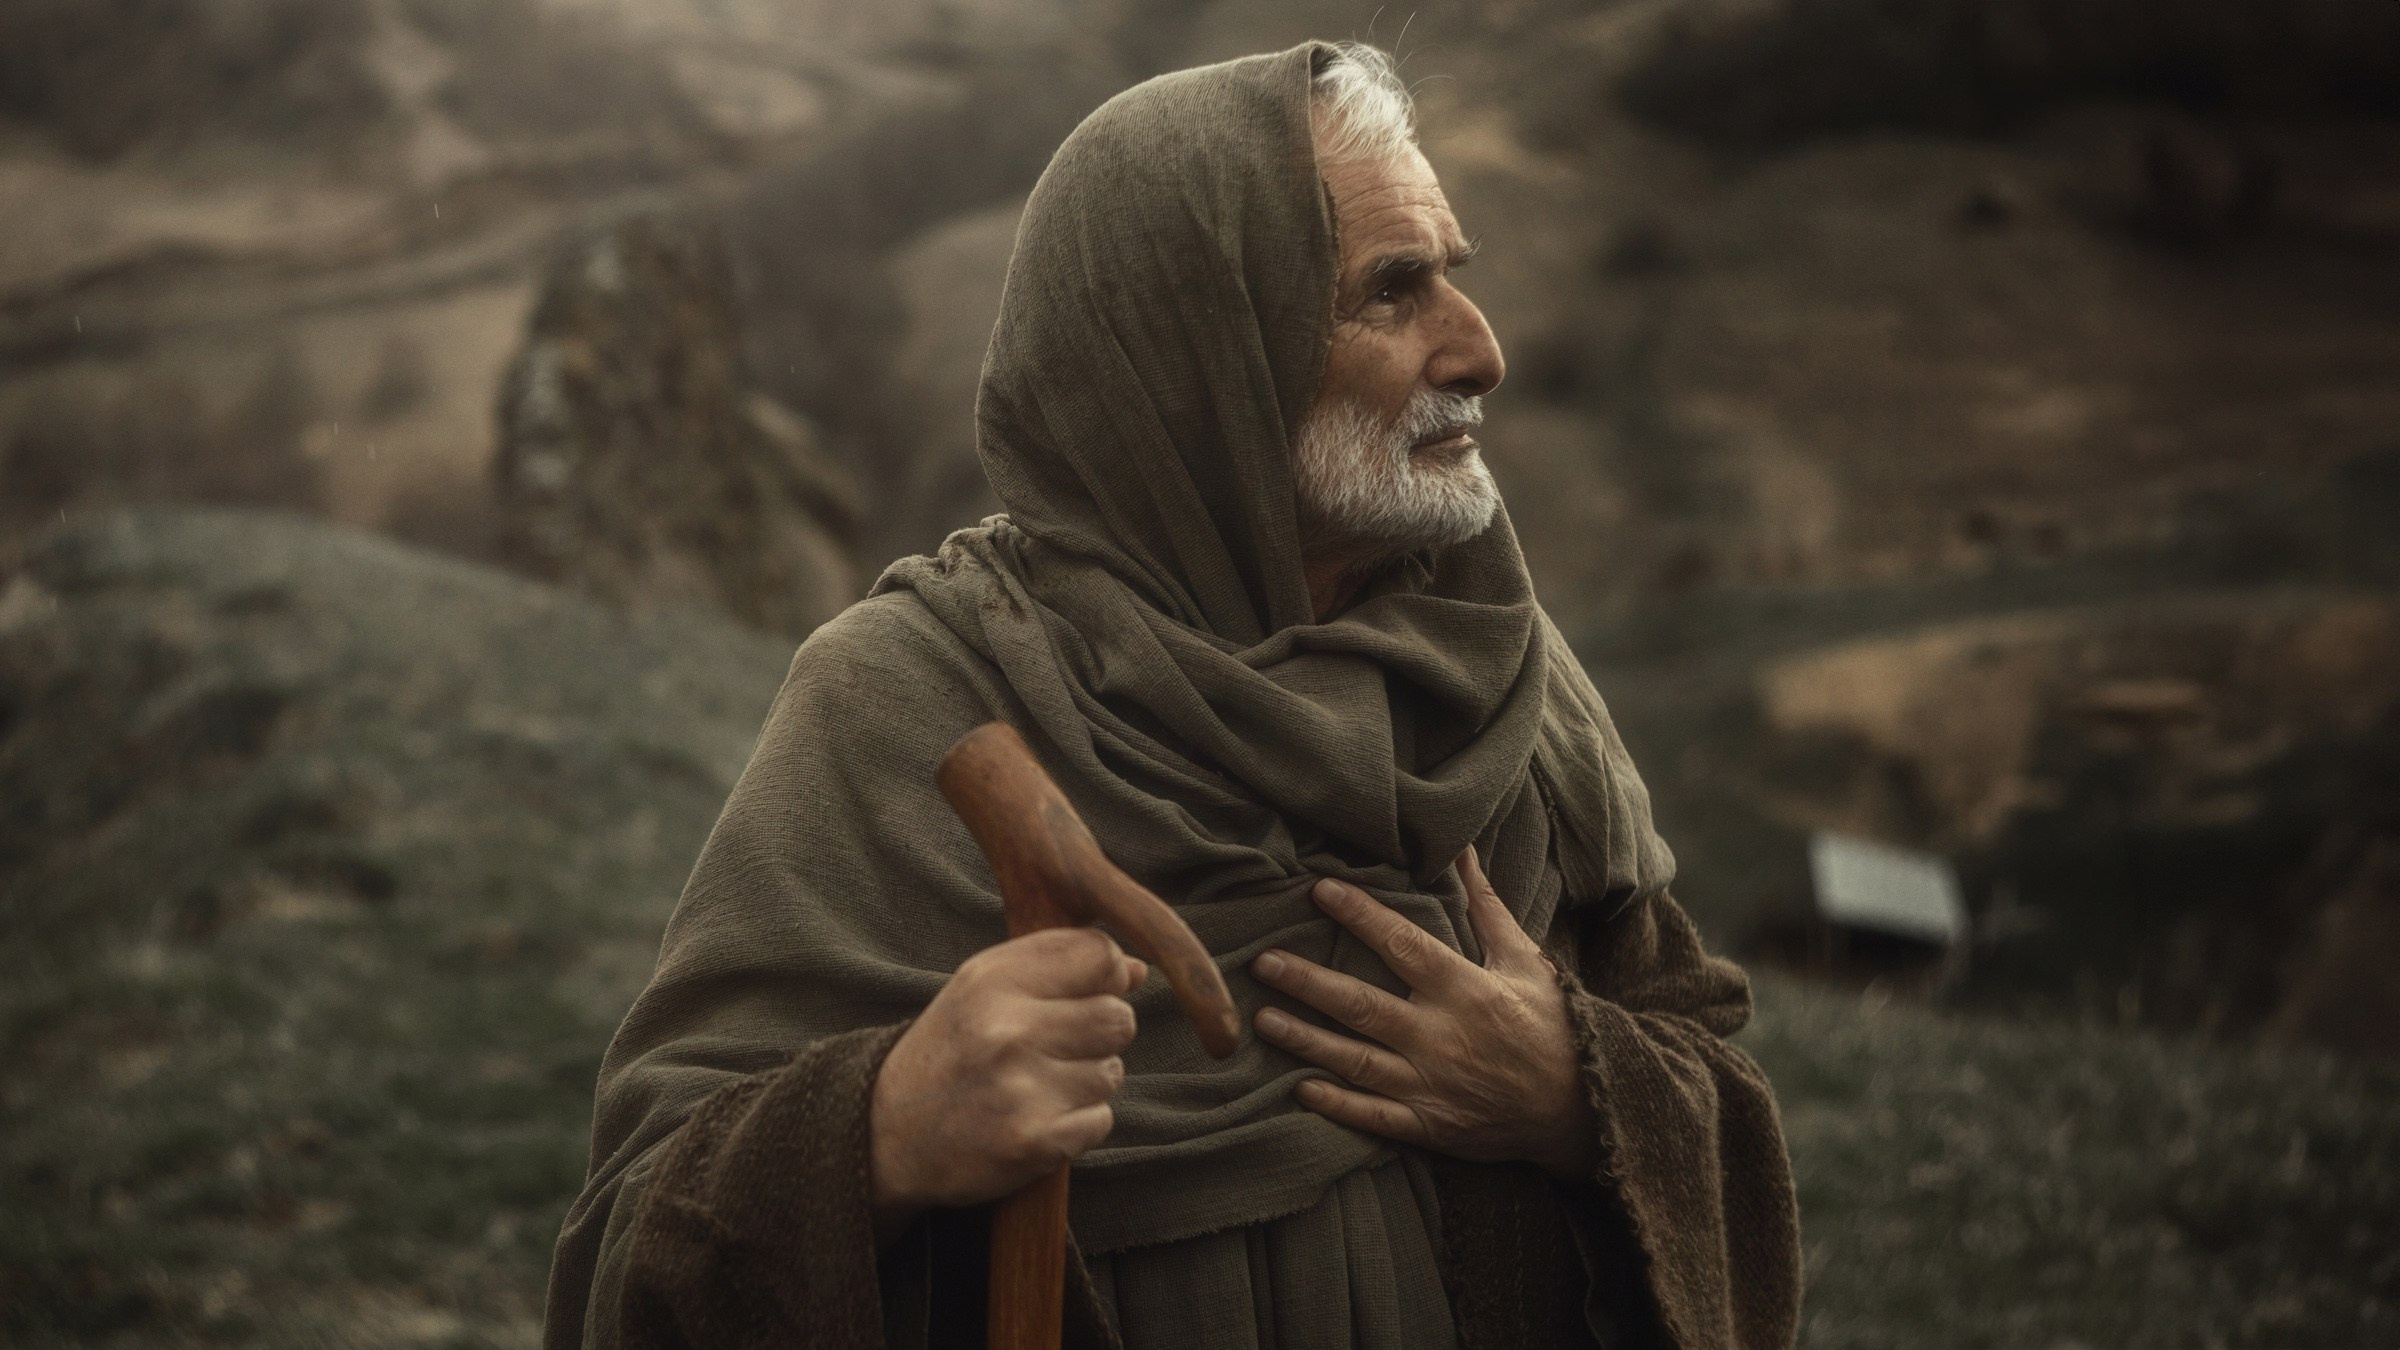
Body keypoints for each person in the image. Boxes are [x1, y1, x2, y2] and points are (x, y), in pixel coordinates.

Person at [543, 40, 1799, 1350]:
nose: (1479, 350)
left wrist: (1573, 1091)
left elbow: (1712, 1077)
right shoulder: (910, 703)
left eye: (1456, 279)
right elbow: (629, 1256)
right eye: (1393, 292)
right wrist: (881, 1125)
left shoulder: (1498, 672)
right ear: (1206, 359)